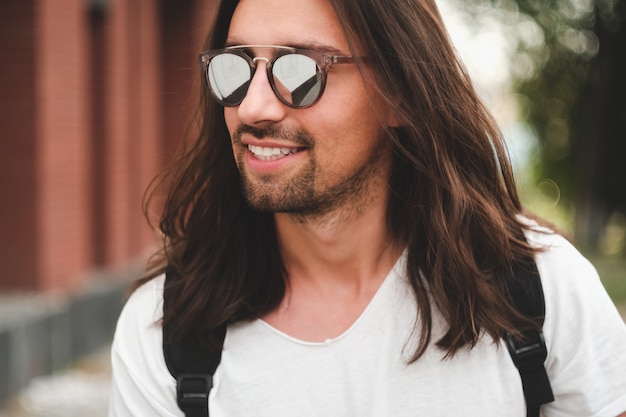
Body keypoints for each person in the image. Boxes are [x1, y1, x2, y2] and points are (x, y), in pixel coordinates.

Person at [108, 0, 626, 415]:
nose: (252, 107)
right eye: (235, 66)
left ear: (400, 92)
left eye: (301, 69)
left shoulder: (540, 290)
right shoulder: (165, 331)